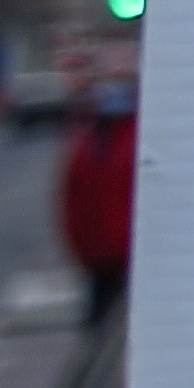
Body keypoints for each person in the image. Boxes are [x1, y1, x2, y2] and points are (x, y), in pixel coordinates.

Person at [58, 79, 136, 323]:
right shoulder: (93, 146)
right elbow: (75, 201)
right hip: (110, 254)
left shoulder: (93, 145)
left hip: (114, 253)